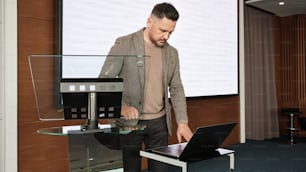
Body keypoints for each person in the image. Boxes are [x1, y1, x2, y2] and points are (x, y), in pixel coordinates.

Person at [99, 2, 193, 172]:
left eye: (170, 32)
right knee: (131, 169)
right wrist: (121, 107)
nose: (166, 36)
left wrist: (182, 122)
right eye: (162, 30)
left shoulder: (172, 53)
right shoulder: (124, 44)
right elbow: (104, 82)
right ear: (149, 22)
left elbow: (177, 88)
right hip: (129, 124)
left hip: (159, 124)